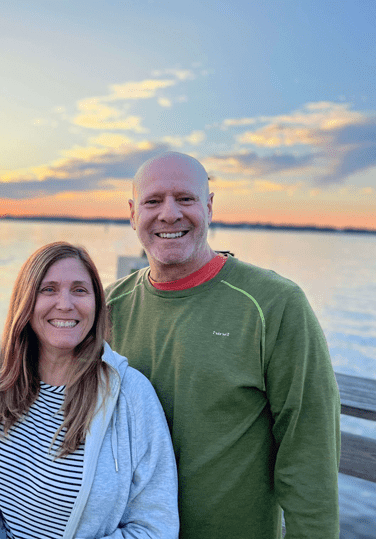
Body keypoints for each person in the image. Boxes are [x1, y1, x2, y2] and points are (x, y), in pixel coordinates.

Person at [105, 152, 341, 538]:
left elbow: (309, 450)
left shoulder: (274, 304)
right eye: (153, 201)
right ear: (133, 214)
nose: (169, 214)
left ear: (209, 207)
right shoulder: (106, 307)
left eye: (185, 198)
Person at [0, 241, 179, 539]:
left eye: (79, 290)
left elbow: (156, 528)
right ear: (25, 301)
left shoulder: (131, 396)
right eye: (48, 289)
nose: (65, 304)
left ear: (96, 303)